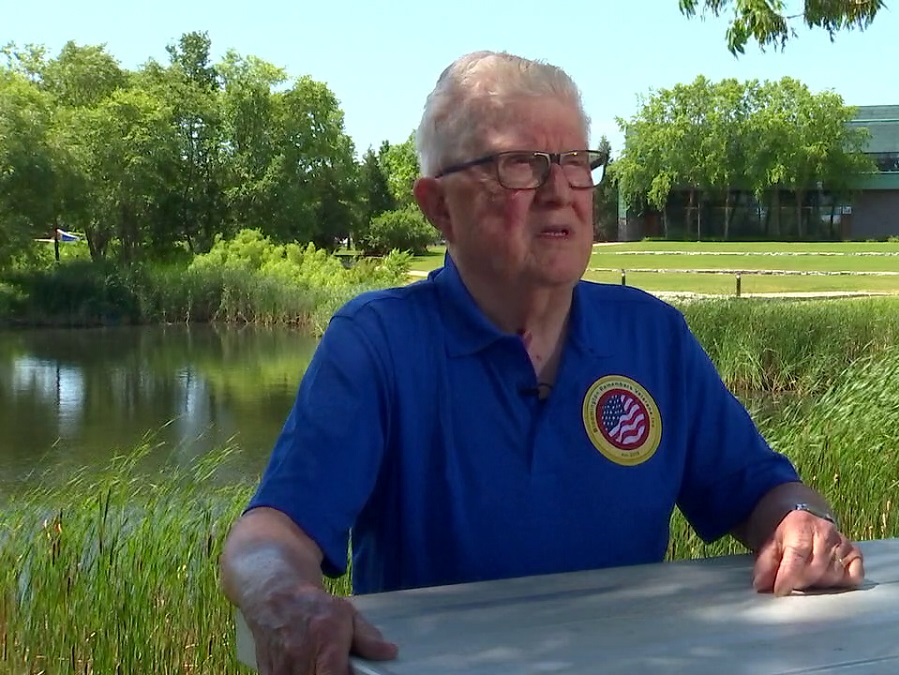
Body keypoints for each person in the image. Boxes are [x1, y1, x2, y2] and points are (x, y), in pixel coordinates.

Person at [219, 50, 865, 675]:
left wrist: (803, 524)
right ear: (439, 206)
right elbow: (268, 538)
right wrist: (285, 596)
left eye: (577, 163)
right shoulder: (376, 345)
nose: (561, 192)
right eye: (521, 165)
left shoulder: (653, 337)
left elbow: (765, 494)